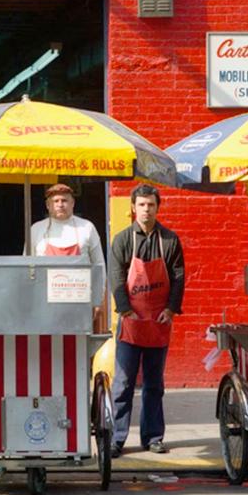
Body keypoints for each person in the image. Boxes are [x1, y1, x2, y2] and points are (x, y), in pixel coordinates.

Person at [109, 184, 185, 457]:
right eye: (141, 204)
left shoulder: (170, 240)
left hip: (158, 320)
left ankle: (153, 437)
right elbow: (116, 276)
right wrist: (125, 308)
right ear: (133, 207)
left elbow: (178, 277)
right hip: (130, 320)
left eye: (151, 205)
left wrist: (171, 308)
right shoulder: (122, 240)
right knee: (123, 383)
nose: (146, 209)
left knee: (154, 383)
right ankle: (116, 439)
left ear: (157, 207)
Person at [25, 182, 106, 307]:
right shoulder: (36, 229)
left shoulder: (87, 227)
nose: (60, 205)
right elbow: (27, 267)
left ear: (72, 203)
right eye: (55, 201)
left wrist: (98, 299)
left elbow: (99, 265)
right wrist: (30, 298)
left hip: (80, 301)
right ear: (48, 205)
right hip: (44, 301)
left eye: (64, 200)